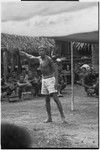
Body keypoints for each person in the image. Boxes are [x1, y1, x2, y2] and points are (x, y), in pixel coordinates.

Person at [19, 46, 66, 123]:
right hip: (44, 79)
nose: (41, 52)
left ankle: (62, 117)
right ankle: (49, 117)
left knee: (55, 99)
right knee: (46, 99)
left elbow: (56, 70)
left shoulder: (49, 59)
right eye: (40, 50)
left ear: (45, 51)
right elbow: (31, 57)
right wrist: (24, 54)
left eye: (42, 50)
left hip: (51, 79)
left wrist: (56, 81)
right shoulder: (39, 58)